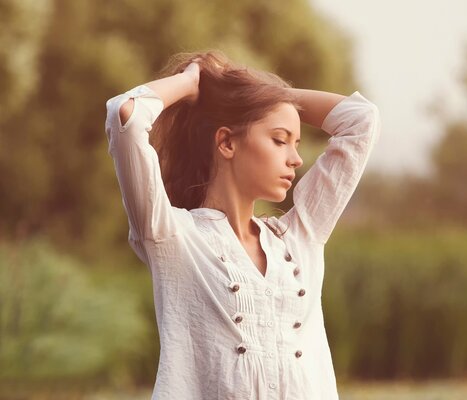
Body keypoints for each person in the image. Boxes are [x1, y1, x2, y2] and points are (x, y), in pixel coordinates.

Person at [104, 50, 380, 400]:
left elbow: (361, 120)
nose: (295, 158)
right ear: (227, 142)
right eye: (280, 140)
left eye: (295, 143)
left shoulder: (300, 239)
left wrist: (258, 93)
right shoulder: (174, 237)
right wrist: (193, 83)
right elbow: (125, 113)